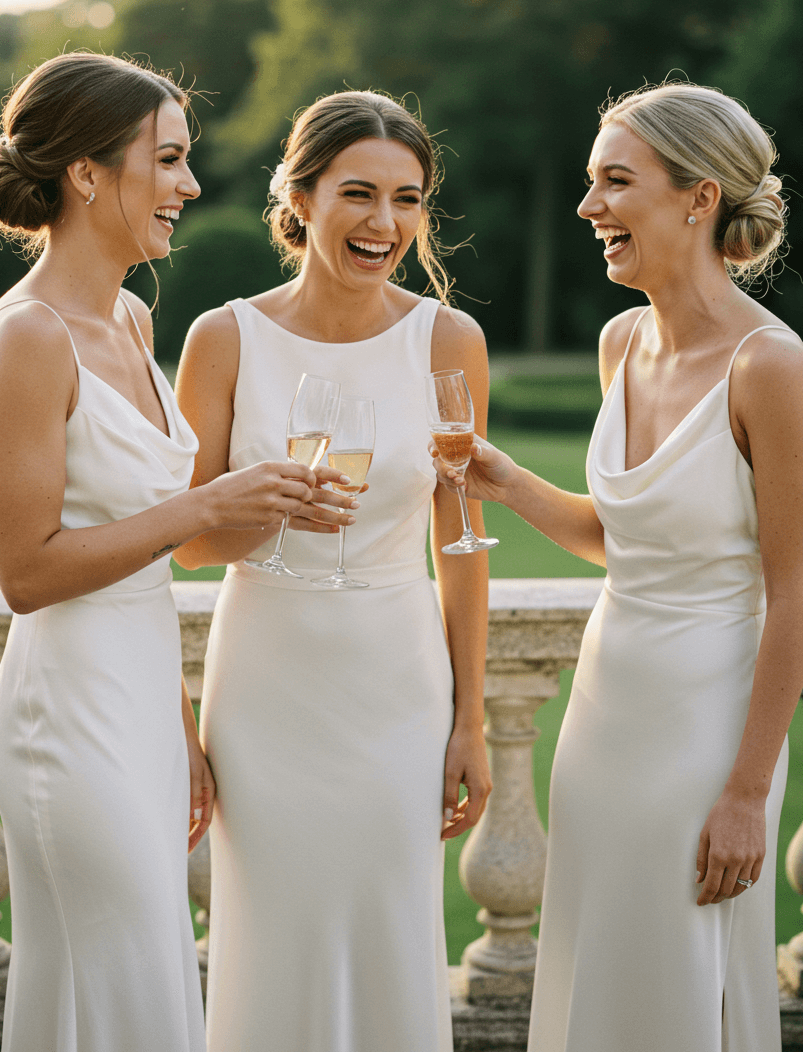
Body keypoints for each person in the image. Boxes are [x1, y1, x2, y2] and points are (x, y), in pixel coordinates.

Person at [0, 52, 355, 1052]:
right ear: (88, 173)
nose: (189, 184)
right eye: (170, 159)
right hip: (65, 713)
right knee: (133, 991)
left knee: (118, 1000)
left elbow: (144, 558)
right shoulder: (27, 337)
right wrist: (204, 504)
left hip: (139, 701)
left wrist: (179, 719)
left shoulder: (131, 317)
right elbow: (28, 570)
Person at [434, 82, 803, 1051]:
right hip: (604, 710)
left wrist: (744, 790)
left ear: (697, 196)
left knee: (679, 967)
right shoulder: (619, 342)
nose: (587, 206)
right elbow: (628, 531)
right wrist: (506, 480)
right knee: (600, 959)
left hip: (704, 724)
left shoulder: (769, 367)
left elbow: (794, 589)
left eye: (612, 181)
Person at [173, 89, 493, 1052]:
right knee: (271, 934)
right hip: (266, 678)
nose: (384, 223)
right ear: (300, 197)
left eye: (408, 198)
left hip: (395, 679)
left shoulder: (449, 341)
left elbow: (461, 542)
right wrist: (262, 505)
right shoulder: (223, 338)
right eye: (359, 193)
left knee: (390, 926)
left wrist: (467, 717)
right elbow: (182, 540)